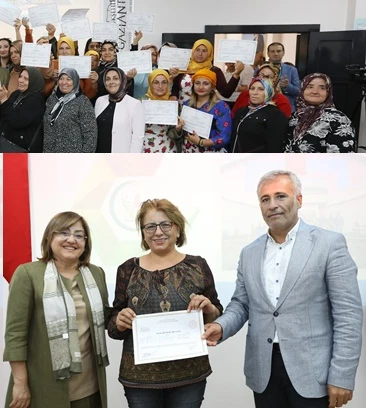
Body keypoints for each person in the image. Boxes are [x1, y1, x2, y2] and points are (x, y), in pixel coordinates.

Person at [202, 170, 363, 408]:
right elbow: (241, 304)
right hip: (263, 372)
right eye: (265, 199)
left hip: (314, 372)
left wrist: (342, 375)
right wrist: (221, 326)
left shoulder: (329, 244)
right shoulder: (249, 252)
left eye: (281, 196)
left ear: (299, 200)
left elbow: (348, 315)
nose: (272, 205)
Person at [108, 199, 222, 408]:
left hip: (189, 375)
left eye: (165, 225)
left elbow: (216, 315)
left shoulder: (198, 265)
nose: (158, 232)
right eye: (150, 226)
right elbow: (113, 327)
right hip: (139, 379)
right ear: (143, 233)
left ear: (177, 229)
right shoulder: (127, 269)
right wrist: (119, 321)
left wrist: (210, 308)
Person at [4, 211, 109, 408]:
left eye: (79, 235)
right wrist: (20, 383)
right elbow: (15, 335)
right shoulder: (28, 274)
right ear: (49, 237)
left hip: (89, 386)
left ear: (85, 243)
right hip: (42, 385)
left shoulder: (96, 273)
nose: (72, 240)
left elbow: (106, 316)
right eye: (64, 233)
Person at [284, 73, 356, 153]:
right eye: (310, 87)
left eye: (322, 88)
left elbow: (342, 156)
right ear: (302, 90)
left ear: (328, 92)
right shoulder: (294, 117)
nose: (315, 91)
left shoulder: (339, 120)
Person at [173, 69, 232, 152]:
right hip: (187, 150)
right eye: (197, 83)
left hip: (210, 153)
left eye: (206, 83)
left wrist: (201, 142)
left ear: (212, 87)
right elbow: (184, 132)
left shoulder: (221, 106)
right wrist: (179, 129)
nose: (200, 87)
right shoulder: (187, 104)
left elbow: (225, 136)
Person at [170, 39, 242, 104]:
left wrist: (236, 74)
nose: (200, 54)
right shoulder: (183, 68)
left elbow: (226, 93)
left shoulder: (214, 70)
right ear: (193, 50)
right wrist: (173, 95)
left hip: (205, 109)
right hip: (182, 108)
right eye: (197, 50)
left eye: (204, 51)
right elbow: (175, 88)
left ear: (209, 53)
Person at [0, 67, 46, 152]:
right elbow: (1, 117)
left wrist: (4, 100)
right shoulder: (16, 94)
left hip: (18, 149)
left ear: (34, 81)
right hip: (4, 144)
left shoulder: (36, 101)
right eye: (20, 76)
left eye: (26, 79)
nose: (21, 80)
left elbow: (17, 122)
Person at [43, 68, 98, 153]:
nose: (64, 82)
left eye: (68, 79)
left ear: (75, 81)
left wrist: (86, 156)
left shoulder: (83, 102)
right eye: (61, 79)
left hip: (74, 156)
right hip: (51, 154)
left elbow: (90, 133)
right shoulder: (52, 99)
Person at [230, 77, 289, 153]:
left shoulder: (275, 115)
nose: (255, 93)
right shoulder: (241, 111)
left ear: (269, 92)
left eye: (261, 89)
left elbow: (275, 146)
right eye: (252, 88)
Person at [95, 67, 145, 153]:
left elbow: (138, 137)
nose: (111, 82)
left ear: (123, 81)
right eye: (108, 79)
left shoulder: (134, 104)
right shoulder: (100, 101)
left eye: (115, 78)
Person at [140, 70, 180, 153]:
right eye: (156, 82)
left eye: (164, 82)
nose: (160, 86)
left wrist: (177, 129)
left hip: (167, 149)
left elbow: (173, 134)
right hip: (144, 148)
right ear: (150, 84)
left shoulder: (173, 104)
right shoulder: (140, 103)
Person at [266, 42, 301, 111]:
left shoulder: (292, 70)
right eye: (272, 51)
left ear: (283, 53)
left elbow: (298, 91)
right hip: (265, 107)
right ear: (268, 54)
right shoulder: (260, 69)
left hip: (286, 108)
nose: (276, 54)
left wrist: (287, 86)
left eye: (278, 51)